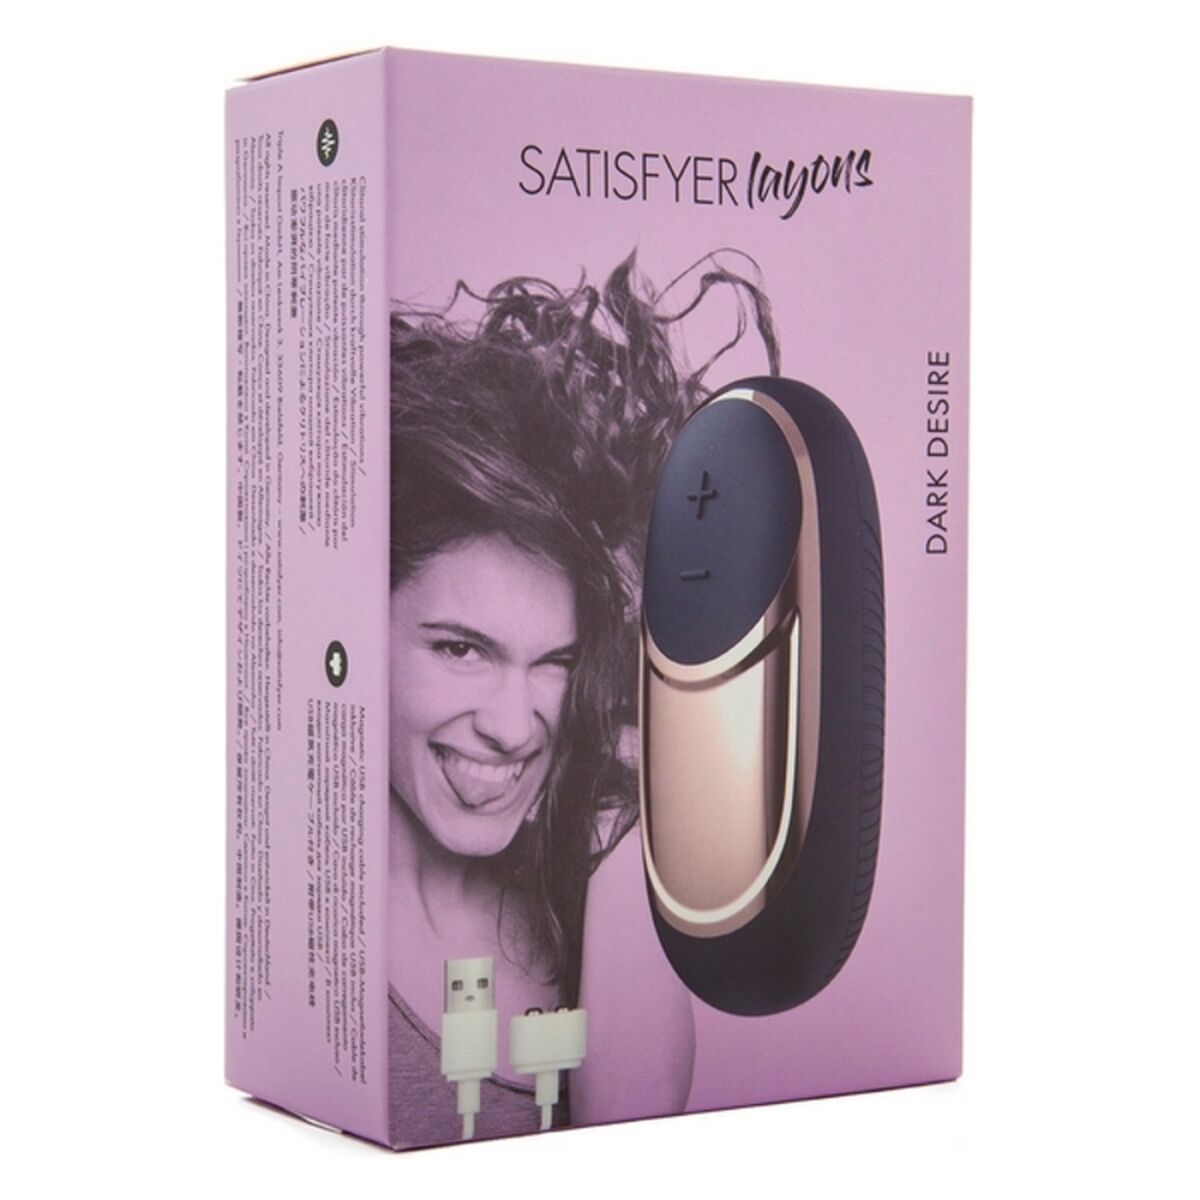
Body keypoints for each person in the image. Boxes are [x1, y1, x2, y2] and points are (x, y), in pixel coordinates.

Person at [387, 251, 779, 1145]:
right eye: (460, 649)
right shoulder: (297, 923)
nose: (511, 725)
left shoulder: (592, 886)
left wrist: (621, 815)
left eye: (556, 662)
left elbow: (630, 1153)